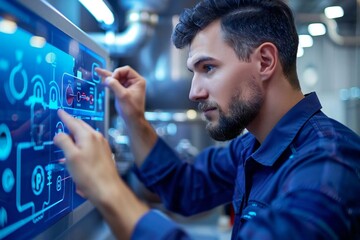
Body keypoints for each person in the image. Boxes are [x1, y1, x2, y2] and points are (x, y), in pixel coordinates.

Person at [53, 0, 360, 239]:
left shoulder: (328, 165)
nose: (194, 92)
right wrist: (134, 117)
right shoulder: (252, 148)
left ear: (265, 61)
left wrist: (107, 188)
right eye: (193, 72)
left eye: (208, 68)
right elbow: (185, 188)